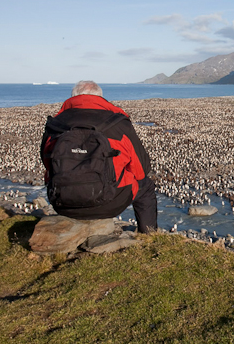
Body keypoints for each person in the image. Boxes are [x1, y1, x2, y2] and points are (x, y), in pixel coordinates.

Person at [40, 80, 157, 233]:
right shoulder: (118, 124)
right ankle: (149, 236)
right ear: (100, 98)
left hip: (63, 202)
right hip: (109, 202)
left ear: (73, 97)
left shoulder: (55, 124)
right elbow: (142, 169)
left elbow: (47, 164)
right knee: (145, 185)